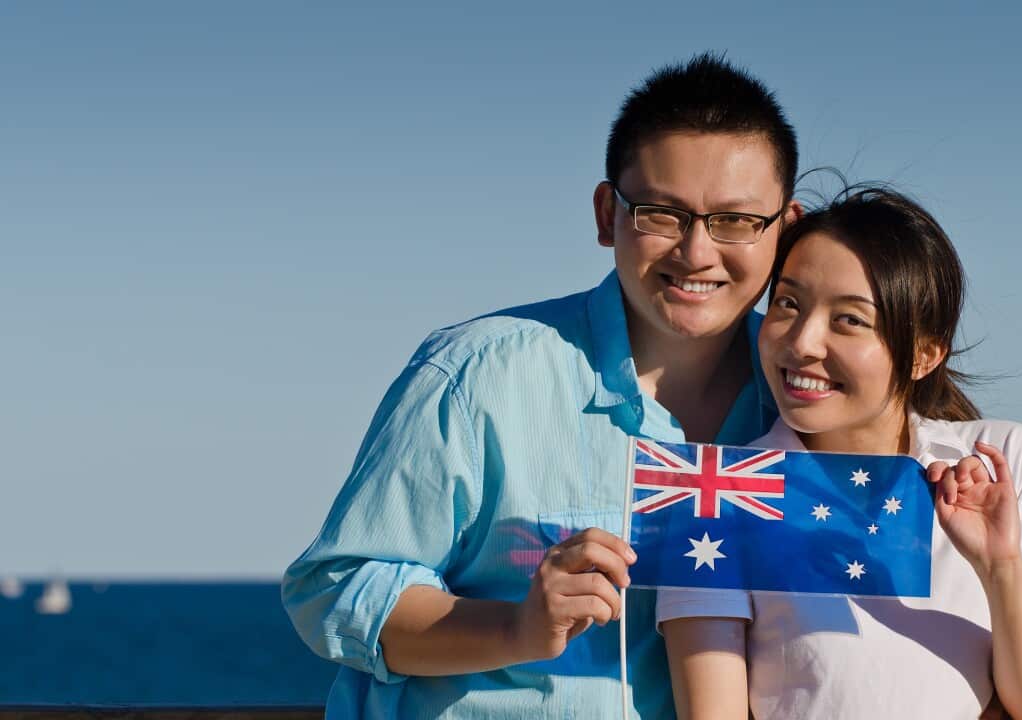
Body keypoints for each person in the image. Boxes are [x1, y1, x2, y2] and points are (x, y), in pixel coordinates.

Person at [281, 53, 802, 719]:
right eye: (660, 213)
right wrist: (516, 629)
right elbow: (336, 588)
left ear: (786, 230)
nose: (696, 252)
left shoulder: (816, 404)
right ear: (607, 214)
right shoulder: (475, 375)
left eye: (735, 220)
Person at [659, 187, 1022, 720]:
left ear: (924, 353)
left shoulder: (1004, 457)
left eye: (850, 320)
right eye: (788, 304)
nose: (803, 342)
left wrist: (1001, 567)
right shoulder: (716, 494)